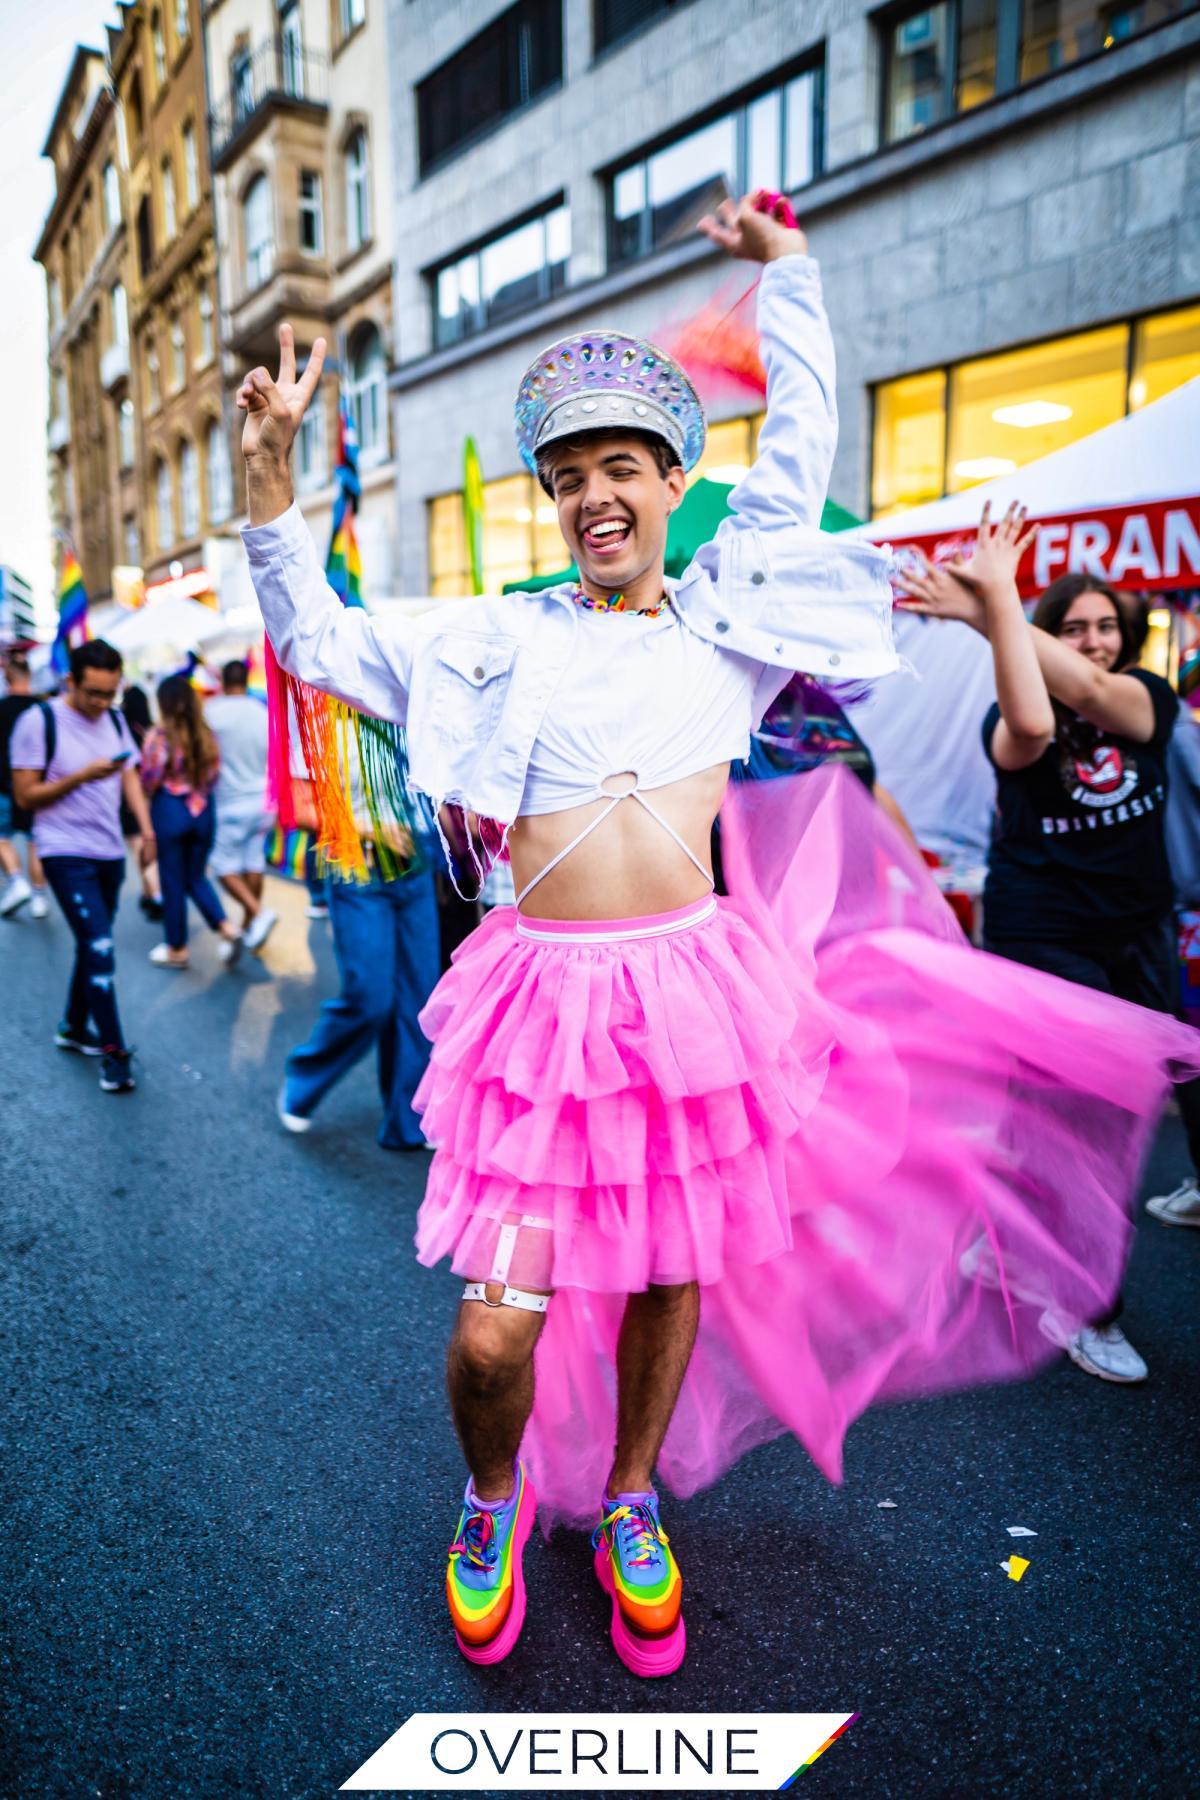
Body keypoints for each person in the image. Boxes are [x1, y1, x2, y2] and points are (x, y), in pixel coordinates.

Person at [238, 195, 1198, 1676]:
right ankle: (489, 1498)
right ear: (553, 499)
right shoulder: (492, 639)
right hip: (540, 1019)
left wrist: (793, 278)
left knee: (667, 1277)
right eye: (570, 477)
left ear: (671, 481)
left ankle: (630, 1495)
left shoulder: (729, 624)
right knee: (500, 1323)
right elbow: (314, 640)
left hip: (690, 999)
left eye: (621, 467)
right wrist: (265, 482)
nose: (594, 495)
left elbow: (802, 454)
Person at [896, 545, 1200, 1382]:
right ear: (1040, 636)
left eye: (1107, 626)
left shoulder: (1145, 695)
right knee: (1083, 1128)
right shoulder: (1013, 712)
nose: (1096, 641)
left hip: (1137, 933)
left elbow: (1101, 693)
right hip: (1046, 941)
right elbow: (1032, 726)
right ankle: (1086, 1306)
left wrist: (989, 604)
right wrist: (994, 607)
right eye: (1075, 628)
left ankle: (1002, 1242)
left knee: (1105, 1100)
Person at [9, 639, 155, 1093]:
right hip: (61, 848)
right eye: (93, 692)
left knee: (95, 942)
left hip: (109, 850)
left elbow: (129, 773)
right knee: (99, 945)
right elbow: (24, 796)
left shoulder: (114, 718)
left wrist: (146, 832)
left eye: (110, 693)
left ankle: (73, 1026)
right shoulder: (39, 721)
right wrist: (80, 777)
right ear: (70, 680)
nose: (102, 703)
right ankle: (114, 1052)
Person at [277, 798, 439, 1151]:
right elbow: (298, 808)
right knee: (370, 997)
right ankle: (305, 1078)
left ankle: (408, 1118)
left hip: (418, 859)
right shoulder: (316, 738)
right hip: (356, 863)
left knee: (418, 998)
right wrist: (373, 829)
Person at [139, 674, 243, 970]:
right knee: (196, 876)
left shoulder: (159, 737)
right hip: (203, 811)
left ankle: (177, 948)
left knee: (172, 881)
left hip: (170, 811)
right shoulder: (207, 735)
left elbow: (149, 777)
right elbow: (214, 775)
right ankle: (227, 928)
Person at [205, 659, 278, 952]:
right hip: (264, 800)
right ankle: (249, 925)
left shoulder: (211, 713)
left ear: (222, 680)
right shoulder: (262, 712)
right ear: (247, 679)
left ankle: (258, 914)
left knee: (223, 867)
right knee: (252, 862)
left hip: (229, 802)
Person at [0, 652, 49, 918]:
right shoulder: (42, 709)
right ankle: (39, 897)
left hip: (3, 784)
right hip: (35, 784)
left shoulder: (2, 707)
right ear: (28, 676)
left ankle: (17, 882)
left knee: (2, 838)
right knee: (35, 843)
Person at [119, 683, 163, 921]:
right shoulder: (151, 731)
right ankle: (149, 892)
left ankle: (155, 893)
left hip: (129, 800)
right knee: (149, 847)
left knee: (140, 848)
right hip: (152, 798)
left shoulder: (121, 731)